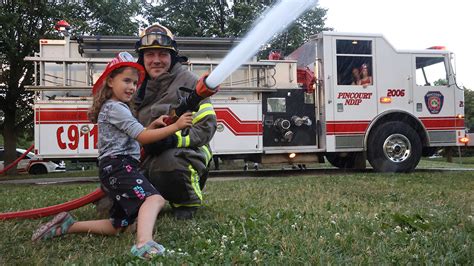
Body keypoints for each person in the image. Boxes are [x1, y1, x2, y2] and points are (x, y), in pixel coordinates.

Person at [31, 52, 193, 259]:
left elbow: (136, 135)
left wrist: (153, 125)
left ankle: (68, 226)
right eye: (126, 80)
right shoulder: (116, 108)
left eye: (135, 83)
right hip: (119, 166)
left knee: (118, 225)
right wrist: (176, 126)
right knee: (154, 199)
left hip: (114, 168)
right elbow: (142, 137)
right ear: (109, 81)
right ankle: (144, 244)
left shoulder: (116, 108)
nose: (132, 87)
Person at [133, 23, 218, 220]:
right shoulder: (134, 86)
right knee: (110, 201)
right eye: (149, 55)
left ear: (173, 56)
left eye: (162, 54)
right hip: (144, 156)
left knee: (168, 163)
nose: (156, 60)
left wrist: (173, 139)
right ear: (142, 58)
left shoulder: (190, 83)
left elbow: (206, 127)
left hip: (183, 153)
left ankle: (185, 201)